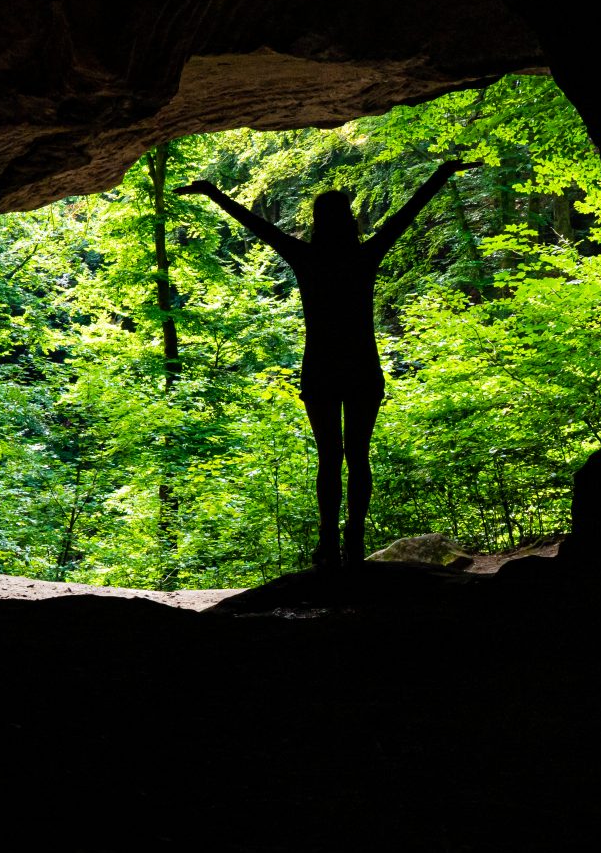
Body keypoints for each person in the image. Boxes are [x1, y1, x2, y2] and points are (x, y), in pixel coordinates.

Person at [175, 159, 479, 571]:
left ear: (317, 222)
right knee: (358, 455)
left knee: (329, 458)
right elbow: (406, 214)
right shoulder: (365, 255)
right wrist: (441, 173)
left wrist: (214, 194)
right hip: (361, 370)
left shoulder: (306, 257)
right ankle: (353, 539)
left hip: (320, 370)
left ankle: (328, 544)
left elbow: (257, 226)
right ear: (350, 221)